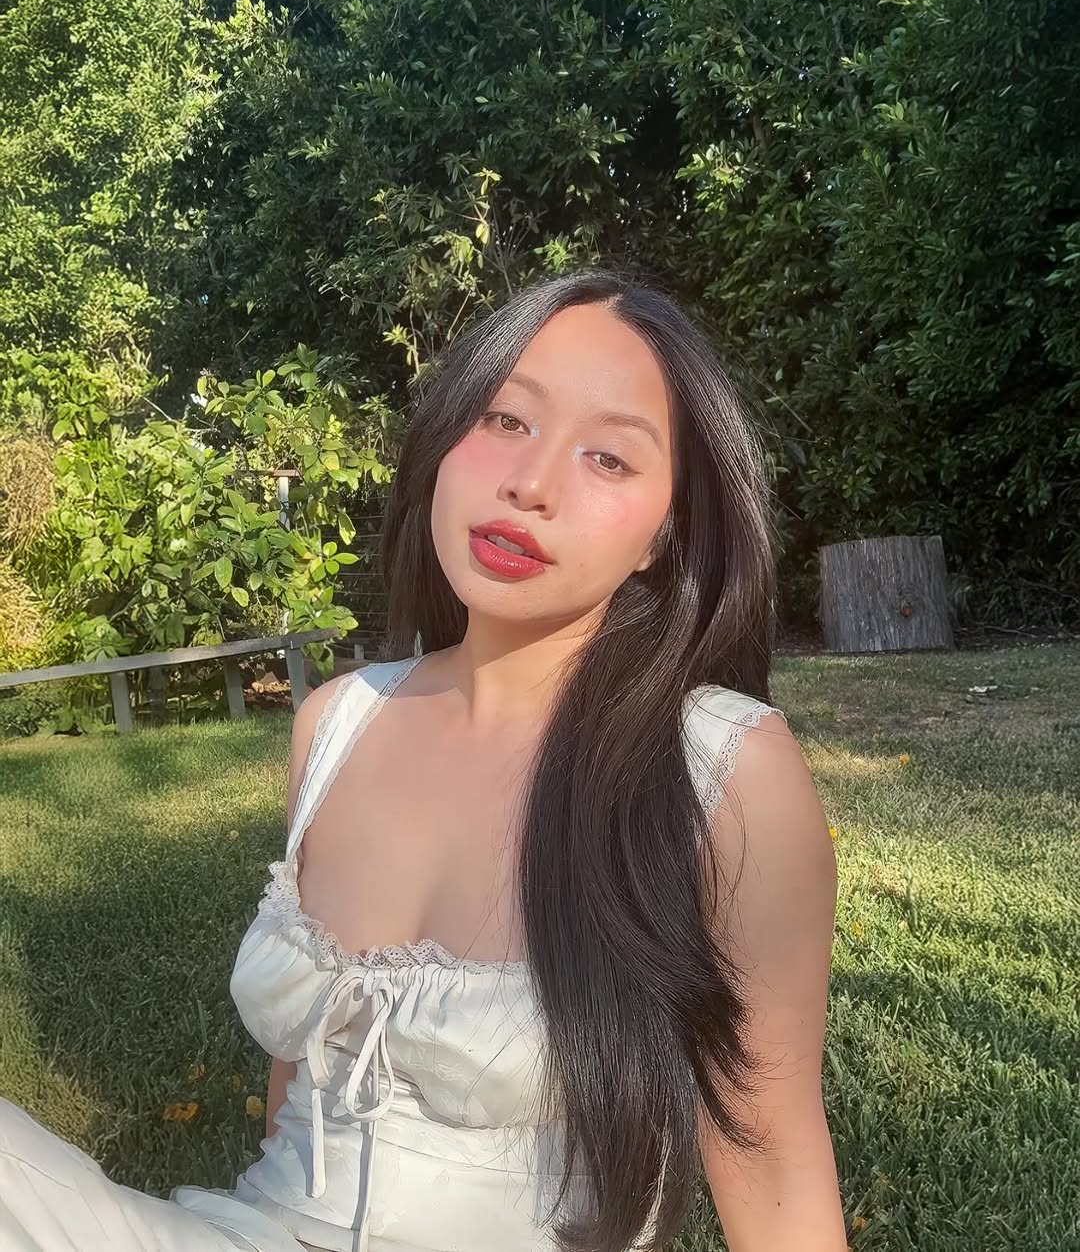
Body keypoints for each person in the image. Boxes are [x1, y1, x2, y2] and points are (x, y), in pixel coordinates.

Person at [0, 269, 845, 1251]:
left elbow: (773, 1157)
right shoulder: (338, 723)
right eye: (505, 419)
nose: (532, 482)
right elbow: (296, 1080)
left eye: (609, 457)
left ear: (666, 531)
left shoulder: (722, 769)